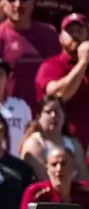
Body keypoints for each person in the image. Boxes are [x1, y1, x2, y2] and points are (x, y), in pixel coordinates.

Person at [0, 0, 59, 107]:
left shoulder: (49, 34)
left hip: (45, 115)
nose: (18, 5)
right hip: (10, 116)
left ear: (33, 3)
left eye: (24, 0)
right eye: (11, 0)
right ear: (3, 4)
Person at [36, 13, 89, 150]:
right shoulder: (51, 65)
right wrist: (83, 62)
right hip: (63, 150)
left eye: (79, 31)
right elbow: (58, 96)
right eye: (70, 31)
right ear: (60, 37)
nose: (75, 35)